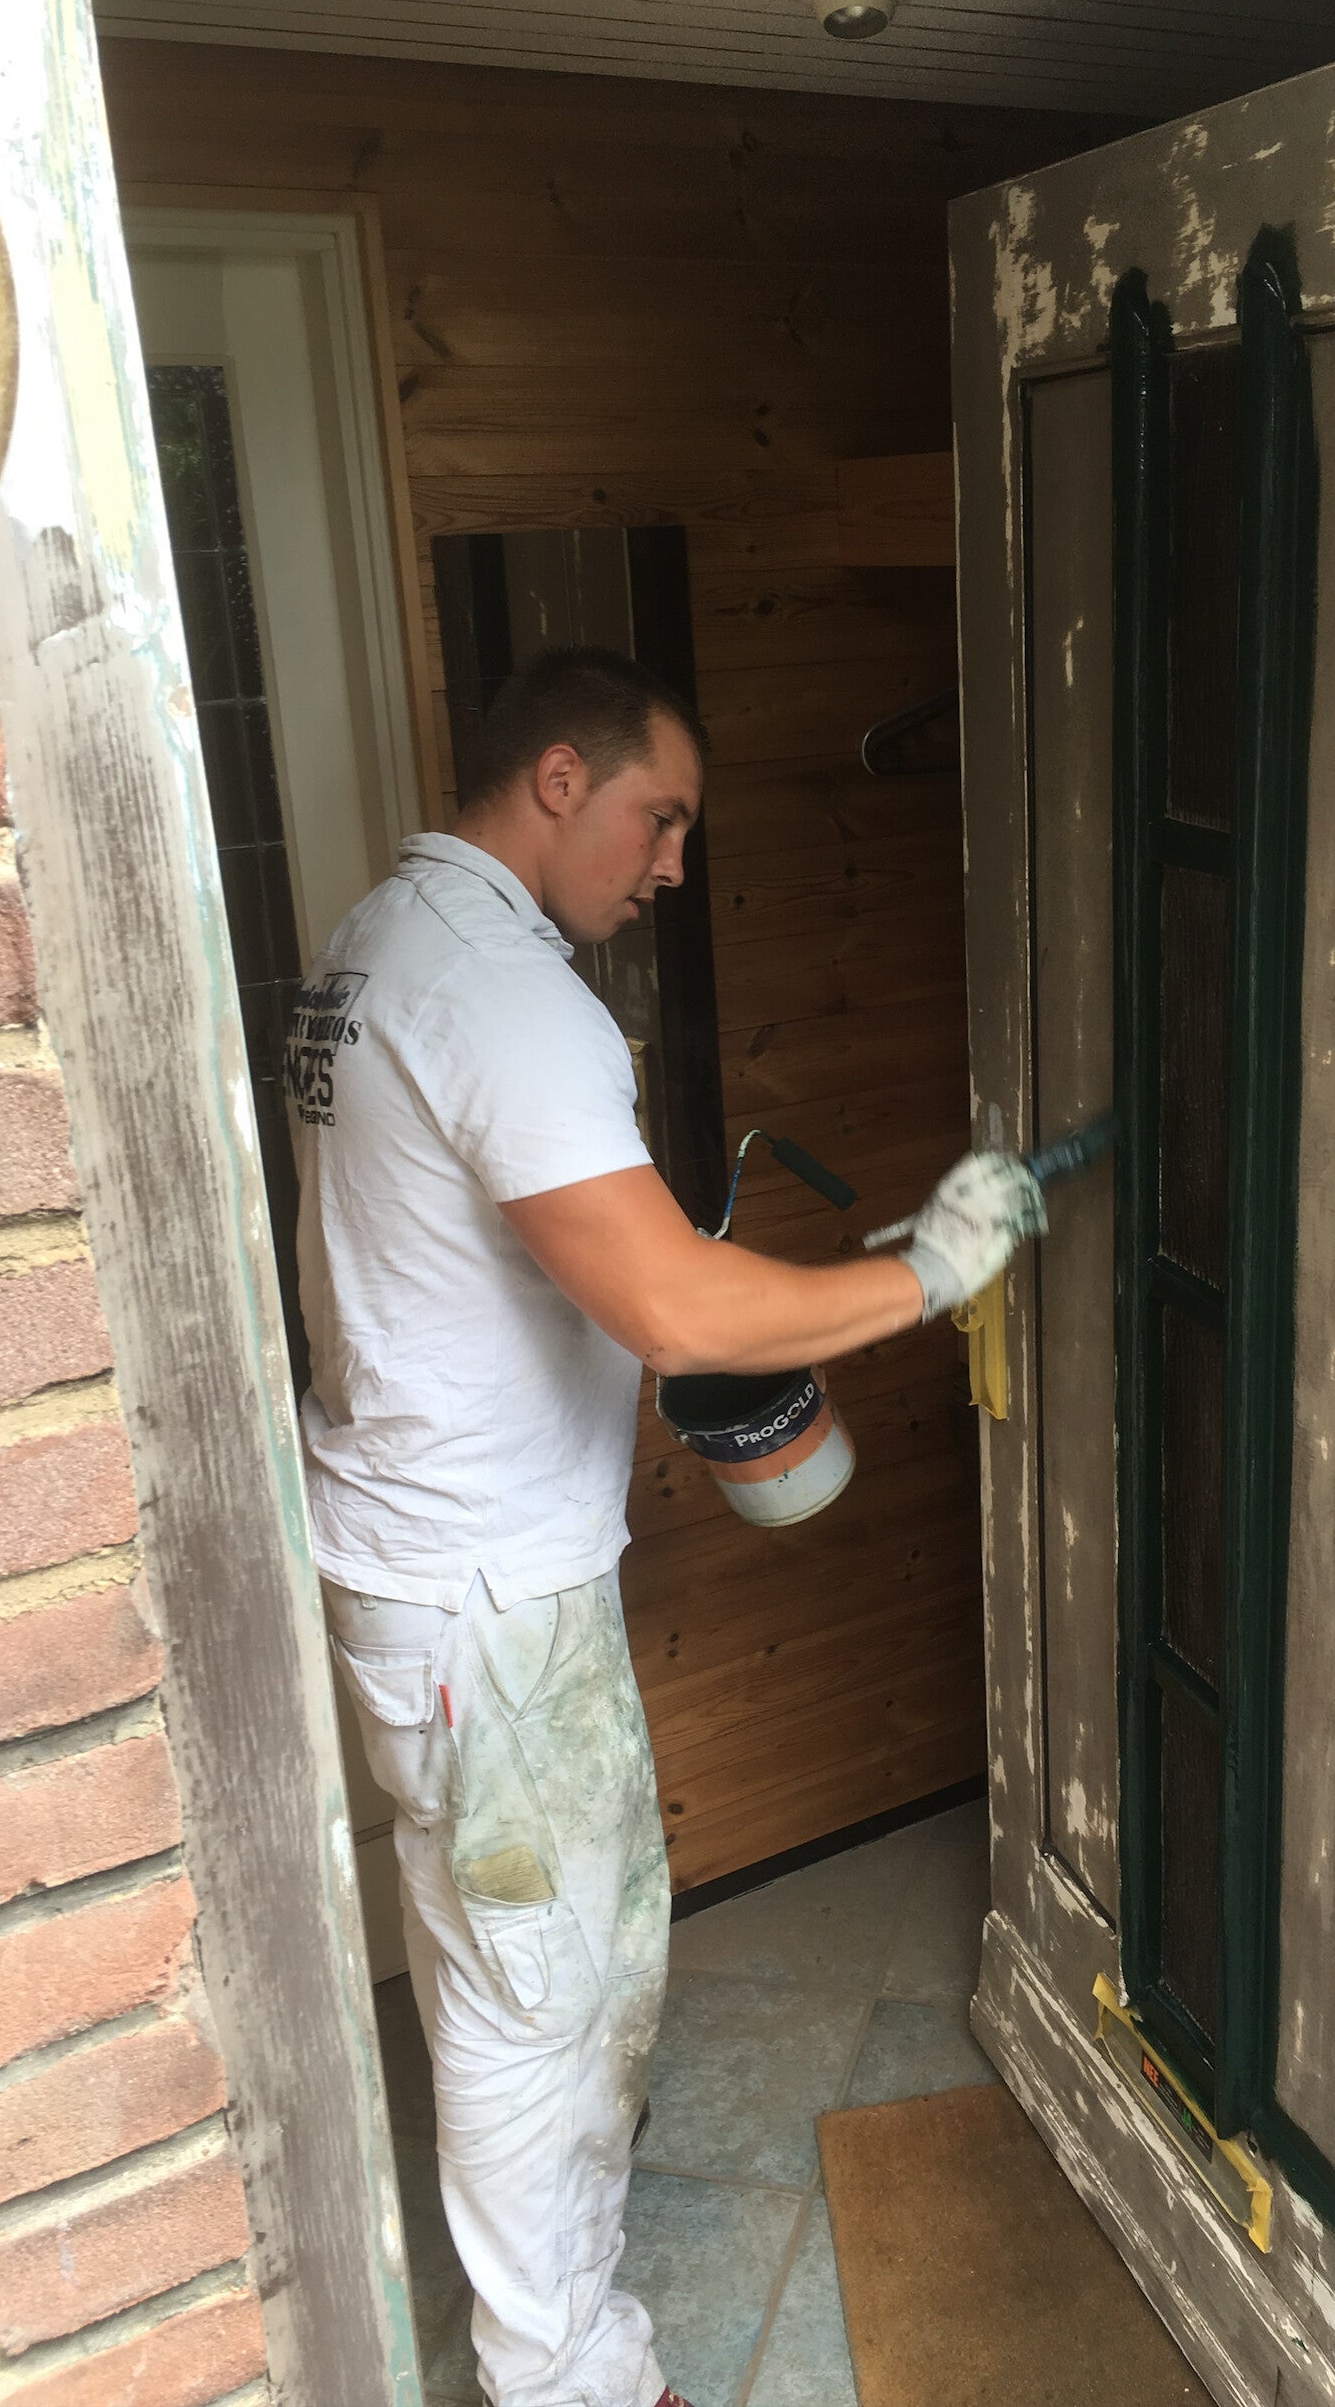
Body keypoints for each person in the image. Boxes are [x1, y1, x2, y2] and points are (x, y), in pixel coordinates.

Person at [287, 646, 1047, 2407]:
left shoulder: (375, 942)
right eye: (661, 817)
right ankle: (568, 2376)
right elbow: (676, 1314)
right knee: (544, 2000)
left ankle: (551, 2332)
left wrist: (674, 1283)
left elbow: (533, 1254)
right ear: (560, 778)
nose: (674, 865)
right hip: (487, 1595)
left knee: (500, 1965)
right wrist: (930, 1273)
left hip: (421, 1565)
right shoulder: (502, 992)